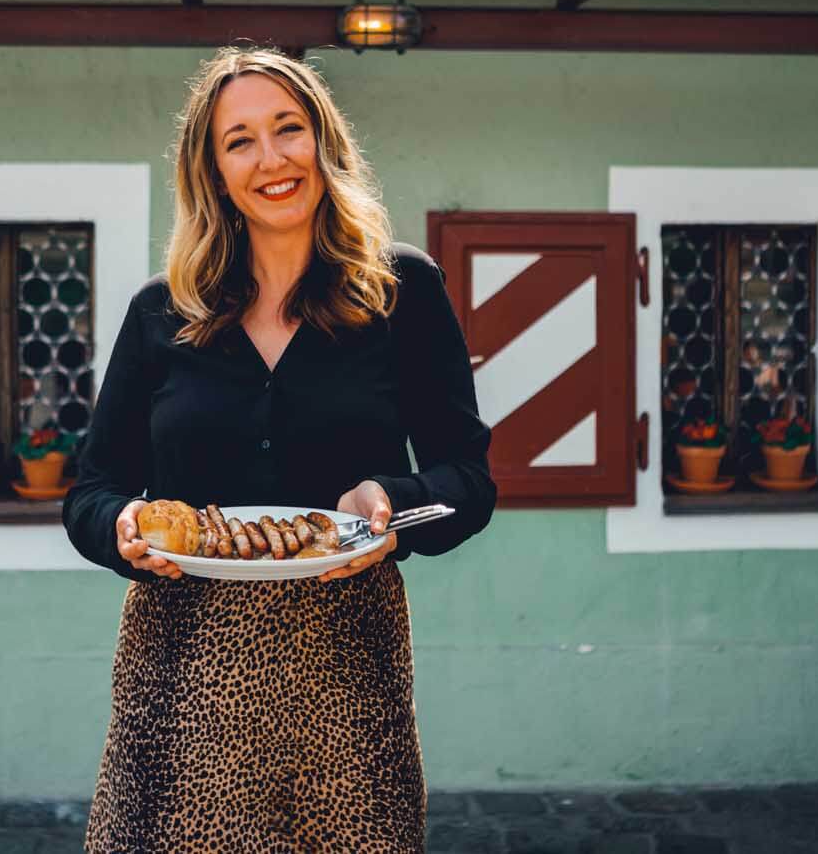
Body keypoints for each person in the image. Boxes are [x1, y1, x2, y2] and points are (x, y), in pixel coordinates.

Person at [62, 46, 496, 853]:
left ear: (323, 141)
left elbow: (467, 480)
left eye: (288, 128)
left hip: (347, 672)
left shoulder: (404, 292)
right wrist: (122, 522)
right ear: (214, 171)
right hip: (183, 671)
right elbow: (90, 490)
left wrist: (390, 504)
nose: (271, 158)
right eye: (240, 140)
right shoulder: (162, 313)